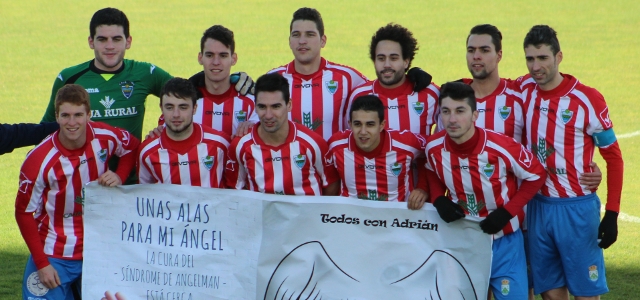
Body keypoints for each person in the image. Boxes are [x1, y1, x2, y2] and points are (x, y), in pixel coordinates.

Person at [518, 25, 624, 300]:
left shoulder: (587, 98)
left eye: (543, 58)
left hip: (576, 209)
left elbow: (613, 157)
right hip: (538, 207)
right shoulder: (523, 89)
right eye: (530, 58)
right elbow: (485, 87)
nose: (535, 66)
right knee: (551, 294)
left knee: (586, 294)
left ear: (559, 57)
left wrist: (612, 213)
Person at [15, 84, 139, 299]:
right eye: (65, 115)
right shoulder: (38, 160)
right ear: (57, 116)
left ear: (88, 114)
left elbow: (132, 147)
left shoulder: (105, 136)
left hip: (98, 249)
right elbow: (24, 213)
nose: (72, 123)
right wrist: (42, 264)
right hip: (53, 253)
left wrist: (120, 174)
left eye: (78, 115)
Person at [425, 82, 546, 300]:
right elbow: (429, 169)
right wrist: (437, 199)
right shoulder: (433, 147)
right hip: (461, 242)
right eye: (446, 111)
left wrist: (507, 212)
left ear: (474, 115)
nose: (452, 119)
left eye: (460, 111)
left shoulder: (501, 146)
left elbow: (536, 175)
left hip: (504, 242)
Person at [226, 73, 339, 196]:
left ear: (289, 105)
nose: (268, 115)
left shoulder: (313, 143)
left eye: (276, 106)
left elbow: (331, 186)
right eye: (262, 107)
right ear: (255, 107)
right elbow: (234, 191)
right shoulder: (240, 146)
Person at [327, 95, 427, 208]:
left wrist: (422, 188)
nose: (363, 131)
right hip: (351, 220)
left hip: (397, 220)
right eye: (357, 124)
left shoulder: (406, 144)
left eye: (370, 124)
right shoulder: (336, 145)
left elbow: (433, 150)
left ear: (381, 125)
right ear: (350, 125)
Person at [159, 25, 258, 137]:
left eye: (223, 55)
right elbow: (163, 135)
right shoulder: (185, 101)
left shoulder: (252, 102)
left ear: (233, 59)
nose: (216, 62)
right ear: (200, 58)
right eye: (210, 55)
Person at [346, 23, 439, 139]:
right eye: (381, 58)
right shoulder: (359, 95)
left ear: (406, 61)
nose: (387, 65)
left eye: (393, 58)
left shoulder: (430, 93)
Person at [138, 78, 230, 187]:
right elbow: (144, 194)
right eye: (169, 107)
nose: (176, 114)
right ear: (161, 108)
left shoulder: (220, 143)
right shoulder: (147, 151)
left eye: (183, 107)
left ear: (194, 108)